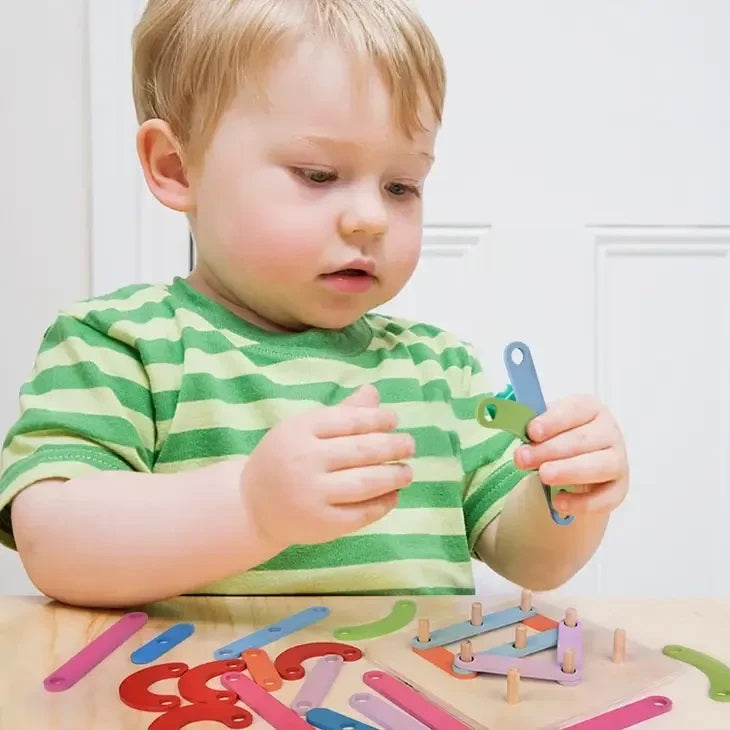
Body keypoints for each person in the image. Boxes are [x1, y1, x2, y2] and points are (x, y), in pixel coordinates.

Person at [0, 0, 628, 609]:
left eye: (401, 185)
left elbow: (530, 561)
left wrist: (566, 493)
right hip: (203, 708)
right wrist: (250, 508)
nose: (370, 217)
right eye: (318, 175)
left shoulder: (439, 368)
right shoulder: (119, 344)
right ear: (177, 167)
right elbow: (53, 540)